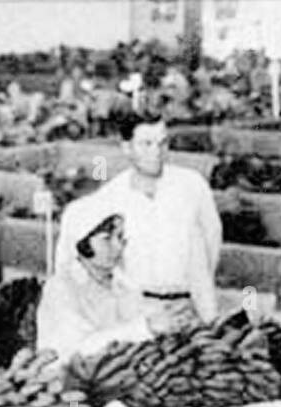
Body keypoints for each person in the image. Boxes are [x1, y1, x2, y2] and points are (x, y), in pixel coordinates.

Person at [59, 111, 222, 329]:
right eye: (146, 144)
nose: (156, 152)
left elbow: (211, 243)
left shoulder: (192, 187)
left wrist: (203, 305)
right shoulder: (111, 198)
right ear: (127, 147)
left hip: (186, 307)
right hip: (137, 311)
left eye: (162, 143)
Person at [36, 194, 160, 361]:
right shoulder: (61, 289)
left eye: (120, 237)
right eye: (107, 239)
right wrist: (145, 328)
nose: (118, 246)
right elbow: (78, 350)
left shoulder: (123, 284)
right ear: (82, 243)